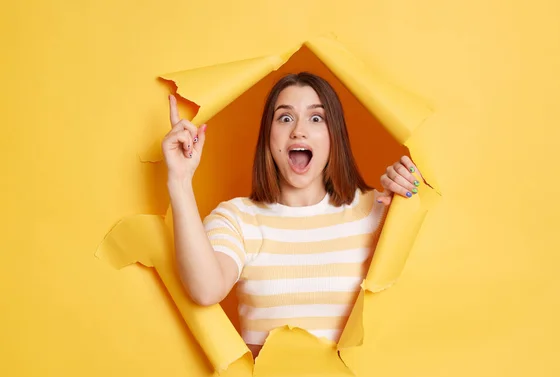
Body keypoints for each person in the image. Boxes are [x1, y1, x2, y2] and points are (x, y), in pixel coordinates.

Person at [162, 72, 423, 358]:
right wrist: (180, 179)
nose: (298, 130)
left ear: (333, 135)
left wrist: (412, 191)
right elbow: (205, 290)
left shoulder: (376, 211)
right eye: (285, 118)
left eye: (316, 118)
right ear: (268, 136)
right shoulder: (237, 218)